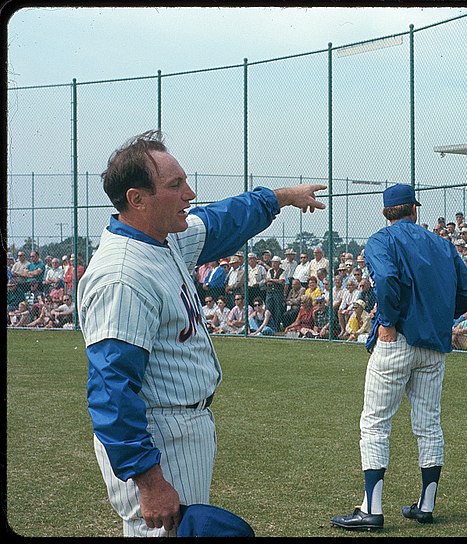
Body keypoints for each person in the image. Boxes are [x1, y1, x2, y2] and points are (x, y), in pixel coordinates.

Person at [78, 130, 324, 536]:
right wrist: (149, 481)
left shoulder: (163, 238)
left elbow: (221, 220)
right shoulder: (122, 275)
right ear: (137, 199)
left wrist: (282, 196)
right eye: (175, 186)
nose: (189, 194)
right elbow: (110, 389)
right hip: (158, 436)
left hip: (181, 427)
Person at [331, 183, 467, 531]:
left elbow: (386, 278)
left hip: (397, 341)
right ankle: (425, 505)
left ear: (386, 213)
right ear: (415, 209)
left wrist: (388, 320)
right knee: (428, 423)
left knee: (375, 423)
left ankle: (372, 508)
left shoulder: (382, 239)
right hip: (433, 346)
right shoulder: (441, 243)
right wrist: (440, 315)